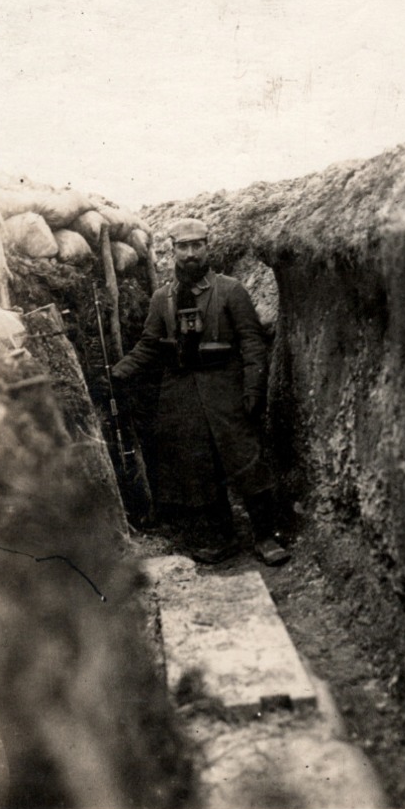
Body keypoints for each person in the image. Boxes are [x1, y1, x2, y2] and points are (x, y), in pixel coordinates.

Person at [108, 217, 289, 566]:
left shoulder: (231, 290)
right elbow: (149, 345)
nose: (190, 254)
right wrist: (119, 372)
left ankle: (266, 536)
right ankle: (222, 536)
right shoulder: (163, 299)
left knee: (244, 457)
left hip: (225, 385)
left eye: (197, 245)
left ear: (208, 246)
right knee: (197, 466)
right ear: (172, 251)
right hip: (181, 391)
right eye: (183, 247)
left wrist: (253, 389)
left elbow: (252, 342)